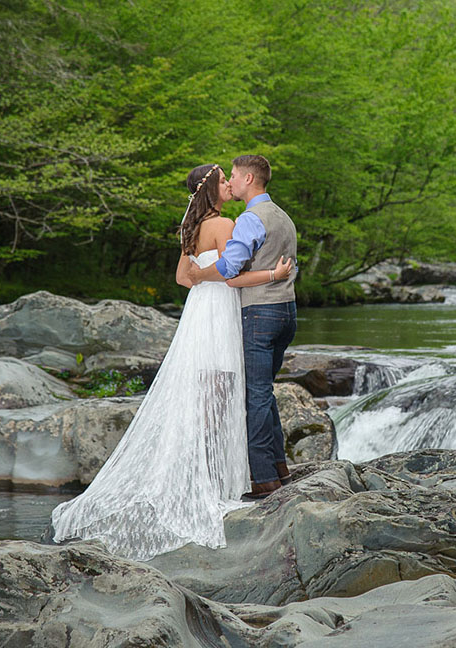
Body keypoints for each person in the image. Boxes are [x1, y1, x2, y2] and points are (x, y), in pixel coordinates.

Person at [49, 163, 293, 561]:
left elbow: (184, 278)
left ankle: (206, 475)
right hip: (220, 312)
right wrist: (272, 274)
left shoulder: (191, 229)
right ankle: (214, 481)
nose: (230, 184)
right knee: (222, 394)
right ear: (213, 187)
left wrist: (202, 276)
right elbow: (232, 277)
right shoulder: (226, 224)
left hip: (199, 311)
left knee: (205, 395)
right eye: (224, 180)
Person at [187, 155, 297, 499]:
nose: (231, 182)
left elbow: (230, 271)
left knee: (256, 395)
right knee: (266, 392)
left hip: (260, 313)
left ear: (249, 179)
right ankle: (279, 467)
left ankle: (264, 478)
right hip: (287, 311)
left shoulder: (250, 219)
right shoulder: (282, 216)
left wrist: (201, 275)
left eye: (233, 176)